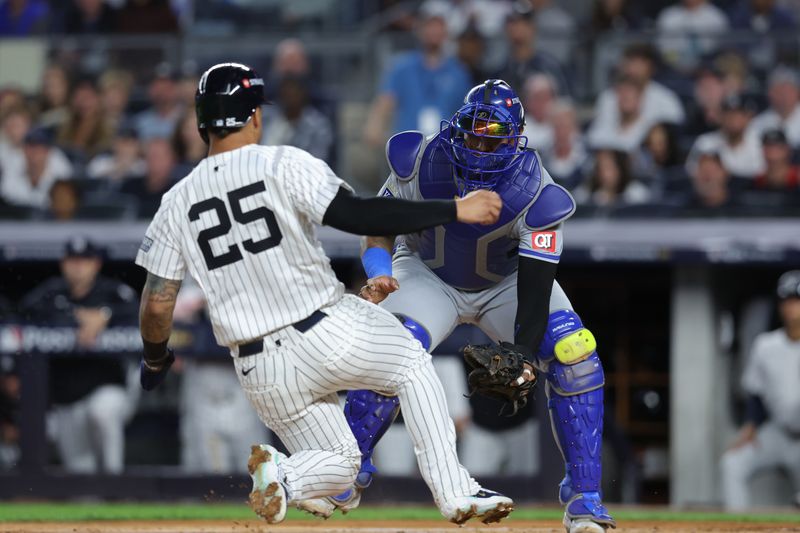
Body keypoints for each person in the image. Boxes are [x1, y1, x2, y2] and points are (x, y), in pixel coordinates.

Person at [134, 62, 512, 526]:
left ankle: (284, 477)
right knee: (410, 363)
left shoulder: (175, 202)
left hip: (258, 367)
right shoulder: (281, 163)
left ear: (201, 121)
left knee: (342, 467)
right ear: (254, 116)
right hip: (322, 328)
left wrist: (155, 360)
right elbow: (361, 215)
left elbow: (156, 302)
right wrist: (455, 208)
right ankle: (455, 493)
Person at [299, 79, 616, 533]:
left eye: (494, 136)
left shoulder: (537, 193)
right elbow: (379, 226)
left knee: (574, 354)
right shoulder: (420, 161)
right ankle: (343, 473)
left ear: (516, 140)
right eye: (474, 132)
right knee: (390, 348)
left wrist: (524, 354)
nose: (481, 146)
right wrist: (378, 269)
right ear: (456, 129)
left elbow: (536, 285)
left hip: (506, 283)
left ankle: (585, 498)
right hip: (427, 271)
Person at [20, 237, 138, 473]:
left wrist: (106, 315)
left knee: (102, 412)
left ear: (97, 264)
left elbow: (141, 310)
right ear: (64, 263)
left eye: (85, 260)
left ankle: (117, 484)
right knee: (79, 473)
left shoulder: (112, 292)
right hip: (66, 397)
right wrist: (75, 317)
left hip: (107, 387)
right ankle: (91, 504)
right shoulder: (52, 292)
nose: (78, 266)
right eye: (73, 260)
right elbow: (24, 311)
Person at [720, 271, 800, 510]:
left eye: (796, 300)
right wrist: (751, 425)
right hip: (778, 432)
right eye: (786, 301)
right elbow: (755, 390)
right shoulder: (766, 345)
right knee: (732, 463)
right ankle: (738, 524)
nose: (791, 307)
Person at [363, 2, 471, 145]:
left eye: (439, 26)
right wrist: (375, 126)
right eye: (429, 25)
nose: (434, 31)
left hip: (444, 148)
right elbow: (385, 101)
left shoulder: (459, 73)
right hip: (407, 147)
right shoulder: (402, 67)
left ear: (446, 31)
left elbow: (466, 112)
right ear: (420, 30)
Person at [687, 93, 765, 179]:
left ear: (748, 117)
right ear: (720, 117)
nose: (733, 119)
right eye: (728, 114)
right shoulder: (705, 143)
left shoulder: (760, 143)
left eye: (738, 114)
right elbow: (693, 173)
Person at [498, 3, 570, 96]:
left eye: (524, 24)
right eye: (514, 24)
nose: (518, 29)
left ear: (533, 28)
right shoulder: (501, 71)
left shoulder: (549, 66)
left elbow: (565, 102)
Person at [0, 127, 72, 210]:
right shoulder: (12, 163)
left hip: (52, 219)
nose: (34, 152)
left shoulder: (61, 166)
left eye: (39, 146)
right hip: (17, 217)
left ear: (48, 150)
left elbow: (63, 203)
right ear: (24, 149)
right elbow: (7, 195)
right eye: (30, 146)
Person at [656, 0, 729, 73]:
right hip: (674, 69)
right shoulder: (668, 16)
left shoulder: (716, 17)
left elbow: (721, 48)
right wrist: (676, 61)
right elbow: (663, 49)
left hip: (709, 69)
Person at [749, 67, 800, 148]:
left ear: (797, 92)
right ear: (769, 93)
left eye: (788, 90)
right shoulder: (758, 124)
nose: (784, 95)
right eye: (778, 90)